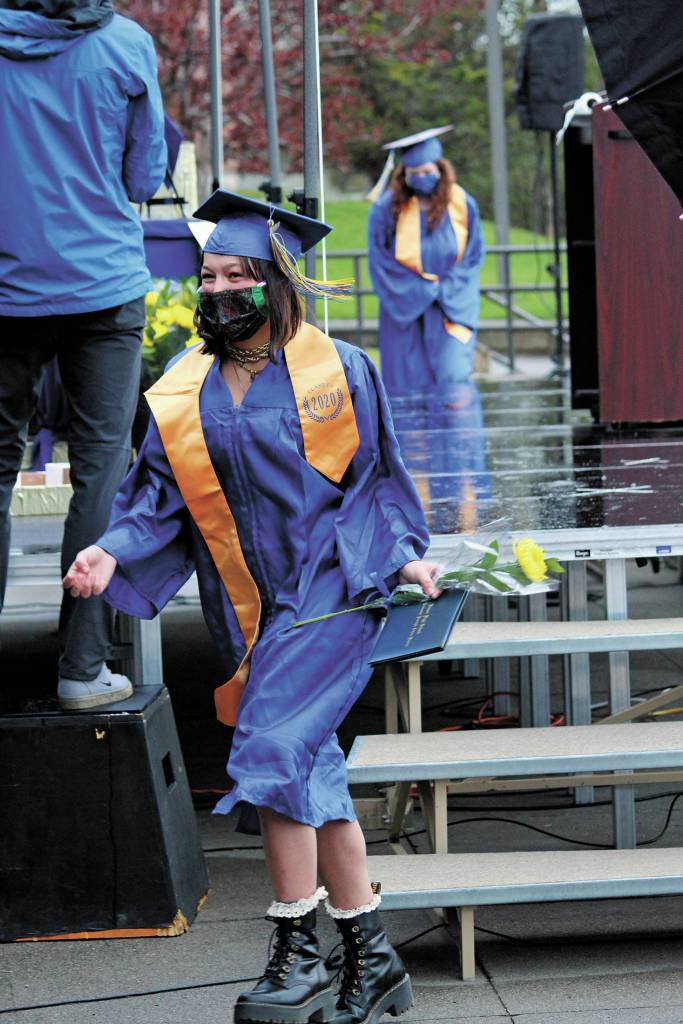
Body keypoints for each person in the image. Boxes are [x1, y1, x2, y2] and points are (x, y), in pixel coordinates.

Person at [63, 190, 441, 1024]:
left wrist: (405, 556)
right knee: (316, 774)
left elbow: (375, 478)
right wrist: (108, 549)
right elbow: (154, 502)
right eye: (209, 275)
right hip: (244, 606)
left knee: (272, 749)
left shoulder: (337, 371)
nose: (221, 289)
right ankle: (372, 960)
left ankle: (294, 951)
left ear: (276, 282)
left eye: (239, 274)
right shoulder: (182, 389)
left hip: (329, 591)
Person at [0, 0, 167, 709]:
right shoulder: (126, 44)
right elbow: (143, 176)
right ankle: (82, 666)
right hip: (102, 283)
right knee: (102, 468)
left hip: (4, 287)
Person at [367, 125, 485, 398]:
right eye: (415, 173)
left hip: (451, 306)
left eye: (428, 172)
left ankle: (457, 441)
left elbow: (473, 254)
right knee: (407, 387)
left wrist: (444, 289)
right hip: (404, 308)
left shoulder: (462, 203)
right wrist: (422, 289)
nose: (422, 178)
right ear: (404, 175)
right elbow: (380, 260)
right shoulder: (385, 209)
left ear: (440, 169)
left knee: (454, 379)